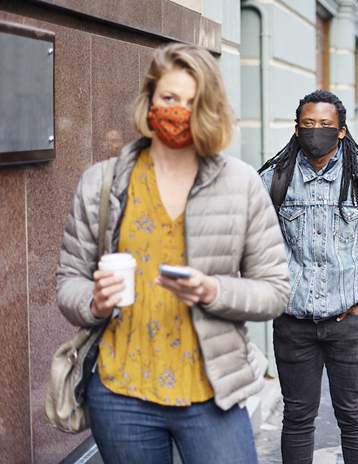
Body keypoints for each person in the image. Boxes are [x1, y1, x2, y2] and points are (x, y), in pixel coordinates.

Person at [56, 43, 290, 464]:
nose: (179, 111)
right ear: (149, 99)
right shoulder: (102, 183)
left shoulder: (240, 184)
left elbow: (275, 291)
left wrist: (212, 290)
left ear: (211, 109)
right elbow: (68, 281)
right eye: (169, 98)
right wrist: (93, 301)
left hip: (210, 391)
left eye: (192, 101)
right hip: (120, 392)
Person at [259, 90, 358, 464]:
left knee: (353, 417)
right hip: (293, 323)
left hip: (350, 323)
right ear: (296, 129)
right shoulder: (273, 179)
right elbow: (251, 244)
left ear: (341, 131)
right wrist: (272, 293)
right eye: (309, 124)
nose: (317, 131)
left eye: (326, 125)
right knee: (297, 418)